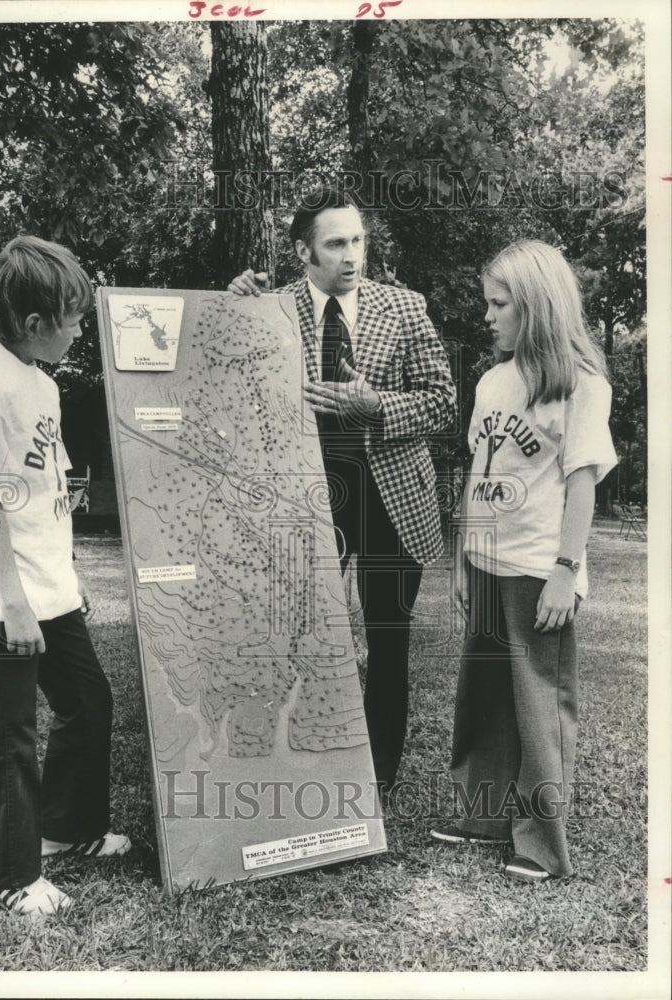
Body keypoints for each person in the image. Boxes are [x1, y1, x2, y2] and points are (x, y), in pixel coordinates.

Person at [229, 186, 456, 797]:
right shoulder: (270, 309)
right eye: (335, 244)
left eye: (358, 240)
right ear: (305, 251)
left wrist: (375, 404)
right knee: (294, 627)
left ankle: (376, 774)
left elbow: (442, 401)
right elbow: (231, 385)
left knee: (388, 633)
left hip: (390, 495)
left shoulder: (404, 308)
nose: (352, 255)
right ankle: (296, 755)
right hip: (306, 495)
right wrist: (229, 310)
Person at [0, 236, 130, 916]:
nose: (81, 329)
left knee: (87, 702)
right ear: (33, 324)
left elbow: (45, 491)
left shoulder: (41, 383)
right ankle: (5, 873)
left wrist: (66, 575)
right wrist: (15, 606)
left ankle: (64, 829)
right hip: (2, 591)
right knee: (8, 729)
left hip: (51, 587)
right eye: (74, 318)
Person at [430, 239, 617, 882]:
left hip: (539, 566)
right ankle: (481, 816)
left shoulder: (579, 382)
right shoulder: (490, 381)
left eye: (498, 304)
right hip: (487, 559)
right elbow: (478, 473)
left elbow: (582, 484)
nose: (487, 316)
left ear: (534, 308)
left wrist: (566, 570)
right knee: (481, 696)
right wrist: (461, 553)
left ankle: (541, 842)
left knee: (538, 702)